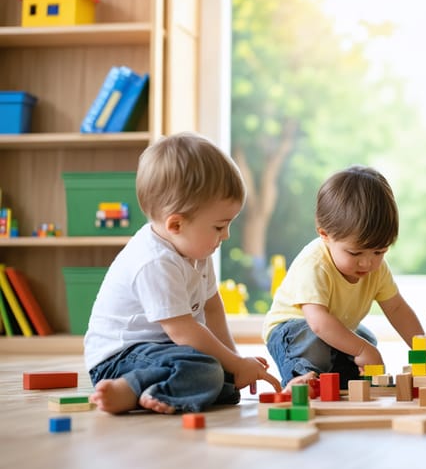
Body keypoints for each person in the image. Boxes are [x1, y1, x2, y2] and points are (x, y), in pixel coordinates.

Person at [84, 132, 281, 415]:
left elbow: (213, 309)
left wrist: (235, 362)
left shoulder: (197, 252)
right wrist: (237, 365)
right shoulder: (154, 261)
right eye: (218, 226)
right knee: (208, 371)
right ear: (176, 224)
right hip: (120, 359)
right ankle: (128, 390)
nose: (225, 235)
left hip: (169, 351)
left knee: (225, 385)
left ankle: (167, 390)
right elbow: (184, 331)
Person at [263, 166, 425, 389]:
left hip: (334, 327)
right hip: (292, 330)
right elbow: (319, 323)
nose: (368, 263)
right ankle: (301, 379)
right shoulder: (315, 264)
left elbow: (397, 309)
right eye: (355, 253)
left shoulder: (377, 269)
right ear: (325, 236)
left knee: (366, 339)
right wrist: (361, 350)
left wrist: (423, 351)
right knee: (317, 343)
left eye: (379, 252)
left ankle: (342, 381)